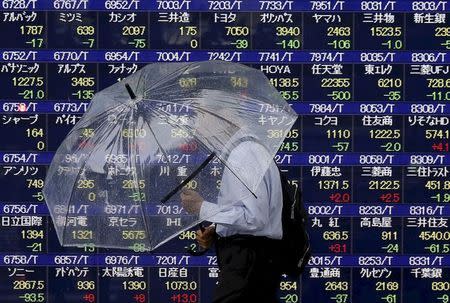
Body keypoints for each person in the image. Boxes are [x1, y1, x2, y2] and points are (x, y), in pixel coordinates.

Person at [180, 124, 283, 303]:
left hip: (247, 261)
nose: (197, 127)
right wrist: (216, 228)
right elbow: (245, 209)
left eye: (200, 116)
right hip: (250, 261)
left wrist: (201, 207)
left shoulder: (244, 154)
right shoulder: (244, 150)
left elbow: (255, 219)